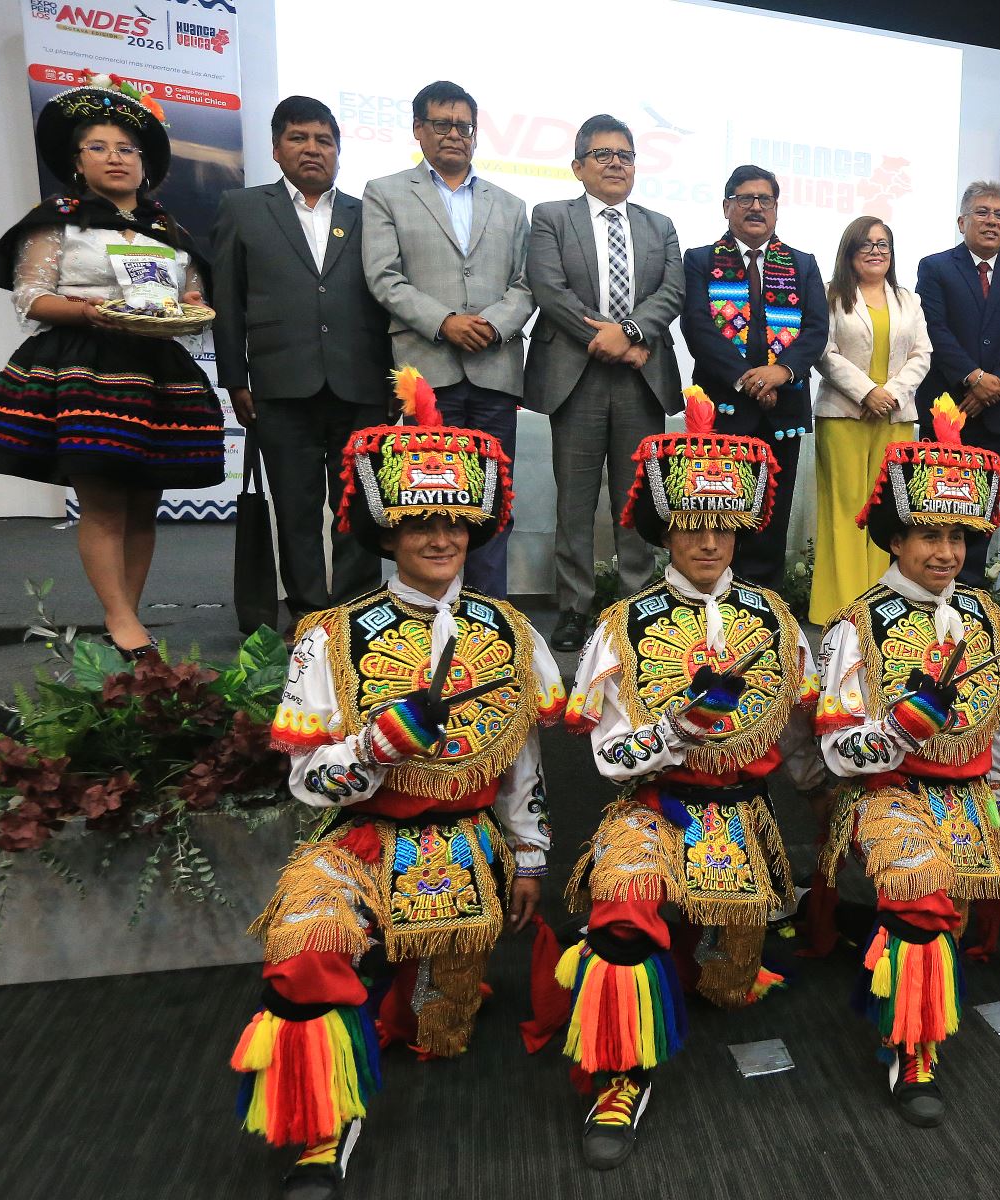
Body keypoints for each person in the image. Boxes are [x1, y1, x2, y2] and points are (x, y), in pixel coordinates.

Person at [231, 370, 564, 1199]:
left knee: (440, 1030)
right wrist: (376, 746)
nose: (440, 536)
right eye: (419, 522)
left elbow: (521, 762)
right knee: (302, 949)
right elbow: (311, 781)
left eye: (454, 519)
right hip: (360, 839)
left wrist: (528, 858)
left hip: (465, 842)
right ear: (386, 531)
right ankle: (319, 1129)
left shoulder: (510, 630)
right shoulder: (328, 636)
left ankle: (423, 995)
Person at [556, 386, 821, 1169]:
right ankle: (618, 1076)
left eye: (722, 525)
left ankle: (714, 951)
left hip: (743, 817)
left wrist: (830, 797)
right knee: (621, 916)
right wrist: (671, 734)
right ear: (667, 530)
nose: (708, 541)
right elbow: (606, 759)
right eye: (692, 526)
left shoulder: (776, 618)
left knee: (728, 990)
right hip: (653, 811)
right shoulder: (622, 626)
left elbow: (804, 733)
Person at [813, 398, 1000, 1126]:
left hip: (967, 799)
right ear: (894, 540)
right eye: (928, 534)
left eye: (957, 535)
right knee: (923, 895)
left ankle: (901, 981)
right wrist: (899, 728)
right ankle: (914, 1048)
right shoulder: (856, 625)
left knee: (942, 924)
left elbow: (990, 730)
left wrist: (996, 801)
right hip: (888, 794)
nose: (947, 552)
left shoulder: (988, 617)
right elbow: (839, 751)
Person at [0, 72, 222, 659]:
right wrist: (92, 312)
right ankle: (120, 618)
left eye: (127, 149)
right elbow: (32, 298)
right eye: (99, 147)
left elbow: (192, 302)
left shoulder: (171, 231)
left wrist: (190, 312)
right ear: (77, 161)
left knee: (144, 505)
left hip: (158, 371)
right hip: (87, 369)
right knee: (105, 501)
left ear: (145, 163)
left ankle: (125, 616)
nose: (116, 158)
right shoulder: (56, 219)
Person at [212, 95, 392, 624]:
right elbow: (228, 300)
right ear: (276, 148)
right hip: (278, 383)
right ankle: (312, 615)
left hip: (361, 384)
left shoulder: (369, 213)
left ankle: (359, 614)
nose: (313, 149)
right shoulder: (242, 208)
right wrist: (234, 378)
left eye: (324, 140)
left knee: (360, 503)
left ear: (338, 150)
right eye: (299, 138)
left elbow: (388, 297)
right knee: (294, 507)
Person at [362, 80, 534, 597]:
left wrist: (493, 324)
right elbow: (383, 276)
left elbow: (526, 284)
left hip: (495, 370)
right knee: (423, 502)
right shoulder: (385, 192)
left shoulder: (510, 203)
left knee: (492, 501)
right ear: (419, 130)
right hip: (426, 373)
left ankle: (489, 613)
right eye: (442, 124)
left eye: (465, 126)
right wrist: (445, 322)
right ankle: (423, 611)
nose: (455, 135)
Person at [526, 114, 685, 652]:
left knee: (635, 497)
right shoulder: (550, 216)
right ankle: (574, 607)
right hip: (576, 374)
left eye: (626, 155)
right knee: (574, 499)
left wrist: (633, 332)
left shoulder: (659, 224)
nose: (616, 164)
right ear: (578, 167)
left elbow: (672, 290)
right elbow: (549, 288)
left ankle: (636, 604)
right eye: (603, 155)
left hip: (641, 375)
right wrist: (607, 337)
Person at [680, 165, 829, 586]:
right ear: (727, 207)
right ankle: (714, 593)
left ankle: (766, 599)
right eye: (745, 199)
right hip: (724, 409)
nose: (756, 207)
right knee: (717, 507)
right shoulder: (700, 260)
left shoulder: (802, 264)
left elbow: (816, 330)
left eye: (765, 199)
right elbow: (697, 327)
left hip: (783, 409)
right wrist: (749, 378)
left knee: (773, 510)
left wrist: (781, 371)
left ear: (777, 209)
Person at [914, 182, 1000, 586]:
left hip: (995, 411)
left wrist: (994, 385)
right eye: (982, 212)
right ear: (962, 220)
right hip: (946, 408)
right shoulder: (935, 267)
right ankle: (931, 587)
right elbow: (934, 329)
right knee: (938, 503)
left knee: (982, 506)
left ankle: (971, 591)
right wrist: (973, 377)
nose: (991, 221)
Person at [811, 215, 932, 623]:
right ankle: (842, 607)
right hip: (843, 414)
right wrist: (867, 392)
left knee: (885, 509)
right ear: (849, 252)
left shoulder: (907, 298)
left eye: (883, 244)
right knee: (845, 511)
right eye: (867, 244)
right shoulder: (830, 295)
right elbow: (823, 352)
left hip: (895, 418)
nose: (876, 252)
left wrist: (890, 395)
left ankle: (882, 606)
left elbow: (922, 354)